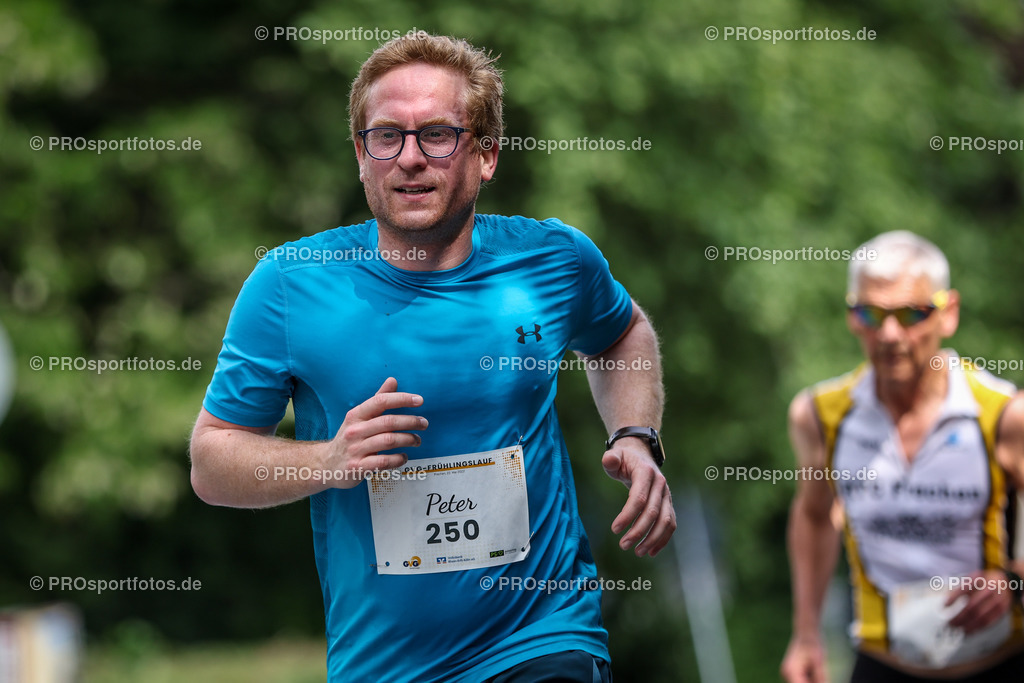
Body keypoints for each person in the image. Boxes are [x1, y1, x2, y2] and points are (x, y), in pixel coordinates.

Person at [189, 33, 674, 682]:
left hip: (541, 636)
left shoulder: (553, 262)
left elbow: (622, 333)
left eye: (438, 135)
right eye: (385, 136)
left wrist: (636, 435)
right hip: (384, 664)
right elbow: (212, 461)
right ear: (361, 157)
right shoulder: (290, 283)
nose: (409, 158)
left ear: (487, 155)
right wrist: (328, 460)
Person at [780, 230, 1024, 682]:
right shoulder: (820, 415)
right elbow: (815, 517)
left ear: (948, 312)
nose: (890, 334)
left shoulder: (1004, 414)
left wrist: (1015, 582)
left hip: (997, 659)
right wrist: (807, 635)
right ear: (852, 316)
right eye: (871, 313)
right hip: (885, 663)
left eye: (912, 313)